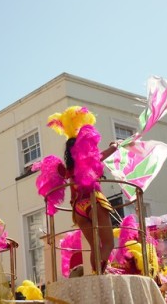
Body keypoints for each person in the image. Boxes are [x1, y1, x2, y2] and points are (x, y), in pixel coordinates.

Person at [48, 106, 118, 273]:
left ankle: (96, 274)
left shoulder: (68, 169)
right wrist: (115, 144)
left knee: (95, 246)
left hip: (78, 209)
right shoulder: (88, 160)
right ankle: (101, 274)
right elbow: (108, 152)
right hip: (94, 201)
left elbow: (58, 174)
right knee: (108, 243)